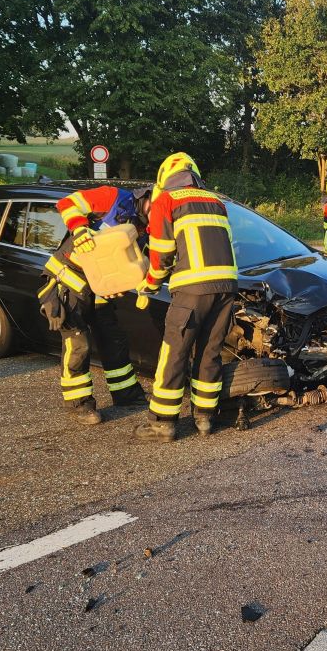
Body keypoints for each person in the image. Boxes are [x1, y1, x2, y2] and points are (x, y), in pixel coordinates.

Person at [134, 153, 238, 442]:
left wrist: (149, 285)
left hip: (192, 290)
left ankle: (162, 424)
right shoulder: (216, 202)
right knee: (210, 352)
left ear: (164, 178)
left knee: (175, 352)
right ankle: (205, 419)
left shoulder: (167, 200)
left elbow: (162, 256)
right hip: (226, 288)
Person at [37, 184, 149, 424]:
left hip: (99, 285)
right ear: (146, 196)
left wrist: (125, 285)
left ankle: (127, 395)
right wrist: (79, 229)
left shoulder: (145, 227)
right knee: (79, 343)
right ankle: (79, 404)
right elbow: (67, 203)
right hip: (68, 280)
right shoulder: (114, 197)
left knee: (113, 338)